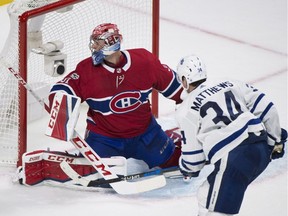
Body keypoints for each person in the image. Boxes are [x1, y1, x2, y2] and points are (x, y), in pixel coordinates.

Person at [48, 23, 183, 170]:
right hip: (105, 139)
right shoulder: (87, 70)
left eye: (97, 42)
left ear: (111, 42)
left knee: (174, 161)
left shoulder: (144, 62)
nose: (94, 47)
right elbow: (62, 88)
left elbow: (179, 90)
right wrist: (59, 102)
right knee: (89, 172)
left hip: (145, 134)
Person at [174, 54, 287, 216]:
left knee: (219, 212)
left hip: (233, 159)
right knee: (205, 193)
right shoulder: (229, 83)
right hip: (261, 151)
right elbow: (268, 108)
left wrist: (185, 168)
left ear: (184, 80)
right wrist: (275, 142)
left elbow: (193, 162)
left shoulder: (185, 111)